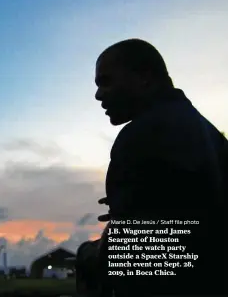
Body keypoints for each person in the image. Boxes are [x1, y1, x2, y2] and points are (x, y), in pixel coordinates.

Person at [93, 38, 227, 296]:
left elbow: (129, 259)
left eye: (105, 82)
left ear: (145, 77)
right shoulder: (210, 134)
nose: (98, 95)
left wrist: (102, 247)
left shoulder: (141, 135)